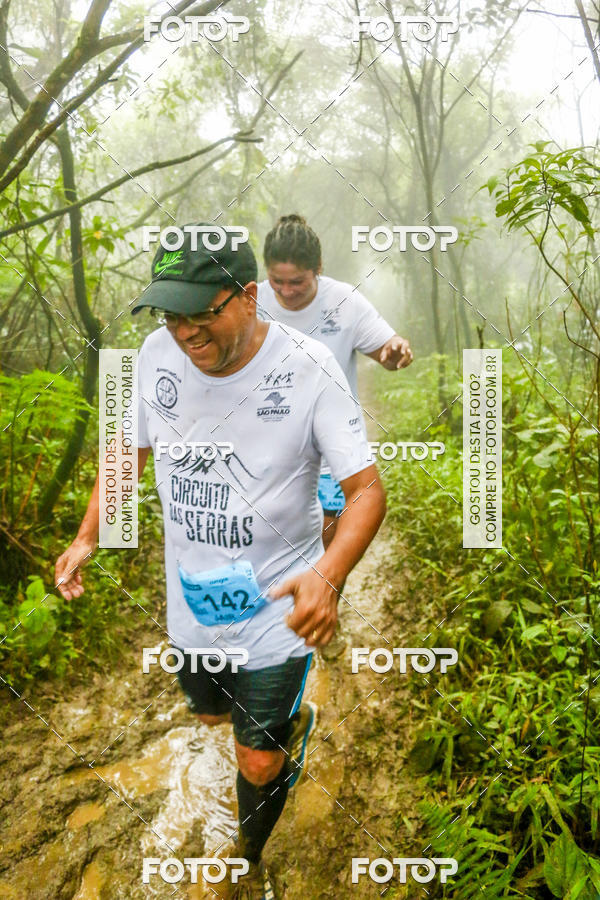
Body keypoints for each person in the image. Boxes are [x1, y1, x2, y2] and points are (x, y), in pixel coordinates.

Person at [54, 225, 386, 899]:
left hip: (276, 608)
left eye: (203, 313)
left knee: (258, 761)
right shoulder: (154, 356)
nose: (186, 333)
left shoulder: (310, 367)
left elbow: (365, 492)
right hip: (193, 601)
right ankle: (274, 727)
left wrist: (327, 575)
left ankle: (250, 859)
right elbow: (129, 450)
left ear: (249, 297)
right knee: (208, 718)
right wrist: (88, 534)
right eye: (173, 315)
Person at [258, 214, 412, 554]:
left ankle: (324, 598)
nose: (286, 291)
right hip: (270, 443)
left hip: (333, 444)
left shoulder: (344, 302)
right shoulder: (252, 301)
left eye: (296, 281)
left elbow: (387, 351)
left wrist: (395, 352)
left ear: (318, 269)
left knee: (327, 540)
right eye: (276, 281)